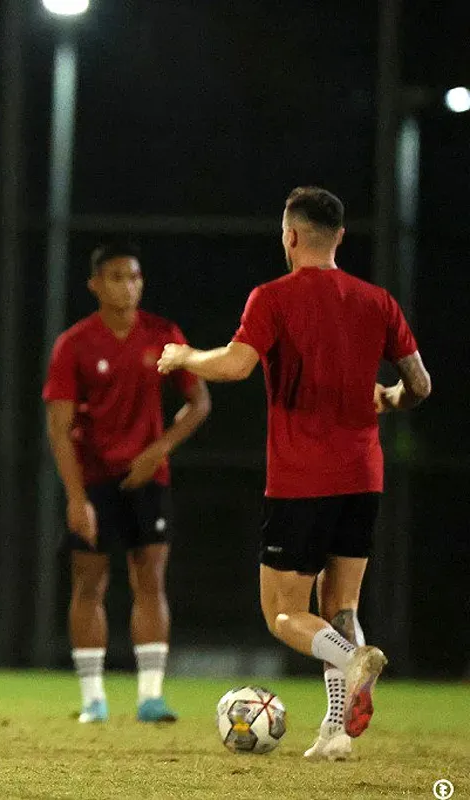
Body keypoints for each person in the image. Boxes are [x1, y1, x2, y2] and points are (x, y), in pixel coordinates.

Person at [157, 186, 431, 761]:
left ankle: (356, 658)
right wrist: (391, 397)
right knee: (341, 608)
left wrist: (184, 358)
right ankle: (336, 734)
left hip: (302, 479)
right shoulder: (378, 301)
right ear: (339, 238)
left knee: (283, 612)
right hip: (364, 476)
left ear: (290, 236)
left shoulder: (273, 297)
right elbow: (421, 385)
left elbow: (234, 364)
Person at [43, 241, 211, 725]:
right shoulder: (75, 343)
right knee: (89, 583)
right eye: (116, 277)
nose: (128, 286)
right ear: (95, 284)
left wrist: (159, 449)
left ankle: (150, 697)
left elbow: (199, 403)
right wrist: (76, 499)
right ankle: (94, 700)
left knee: (150, 580)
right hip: (93, 480)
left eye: (134, 277)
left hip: (149, 479)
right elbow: (58, 426)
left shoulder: (163, 335)